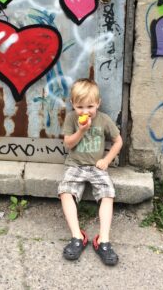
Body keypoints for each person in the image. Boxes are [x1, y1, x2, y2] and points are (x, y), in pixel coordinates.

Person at [58, 78, 123, 265]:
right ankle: (77, 236)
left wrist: (107, 160)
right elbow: (68, 144)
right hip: (75, 164)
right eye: (80, 107)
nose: (85, 111)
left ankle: (103, 240)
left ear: (98, 103)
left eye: (90, 106)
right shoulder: (71, 118)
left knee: (107, 194)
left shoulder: (103, 120)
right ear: (72, 105)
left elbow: (118, 141)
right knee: (65, 192)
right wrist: (81, 131)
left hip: (96, 166)